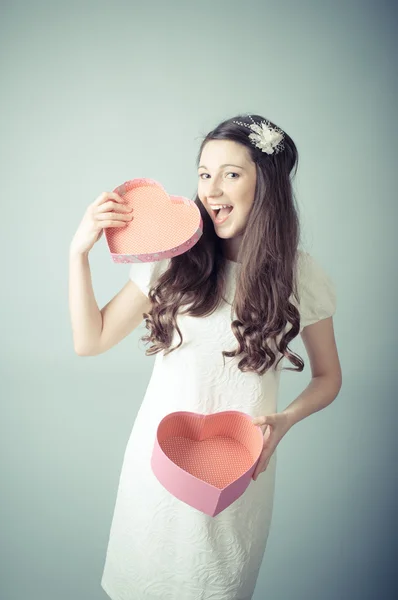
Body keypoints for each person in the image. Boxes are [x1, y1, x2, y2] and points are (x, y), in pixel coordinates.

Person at [68, 114, 342, 600]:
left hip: (236, 477)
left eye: (231, 174)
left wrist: (286, 420)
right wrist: (79, 254)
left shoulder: (302, 275)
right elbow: (91, 340)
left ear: (267, 183)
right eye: (203, 173)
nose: (212, 190)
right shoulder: (174, 259)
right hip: (155, 471)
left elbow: (328, 378)